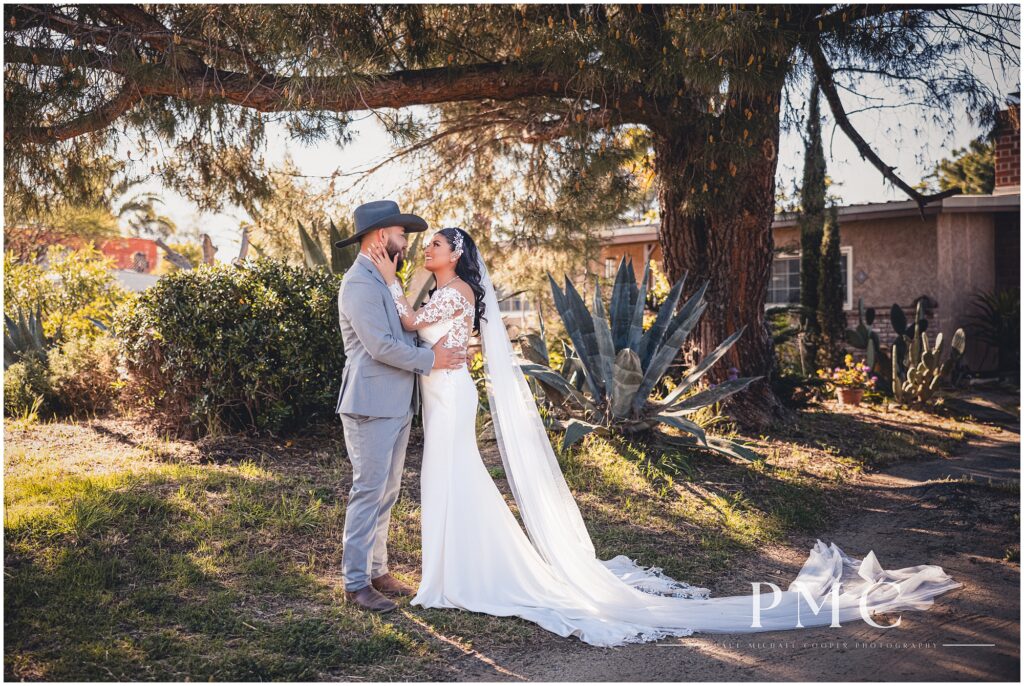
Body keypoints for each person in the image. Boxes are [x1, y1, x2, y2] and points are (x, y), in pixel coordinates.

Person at [366, 227, 961, 647]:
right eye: (428, 246)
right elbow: (429, 333)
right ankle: (453, 570)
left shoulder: (450, 289)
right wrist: (410, 293)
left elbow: (413, 324)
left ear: (454, 255)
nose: (427, 249)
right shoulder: (451, 288)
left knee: (454, 475)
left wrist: (390, 277)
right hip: (443, 392)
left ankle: (463, 573)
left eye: (436, 244)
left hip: (448, 394)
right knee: (448, 475)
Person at [335, 201, 467, 614]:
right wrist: (432, 360)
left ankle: (377, 570)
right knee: (368, 491)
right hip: (369, 404)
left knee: (387, 493)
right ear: (380, 238)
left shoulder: (384, 279)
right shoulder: (358, 284)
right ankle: (355, 582)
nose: (407, 244)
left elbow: (407, 333)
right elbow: (379, 346)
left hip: (396, 404)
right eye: (402, 235)